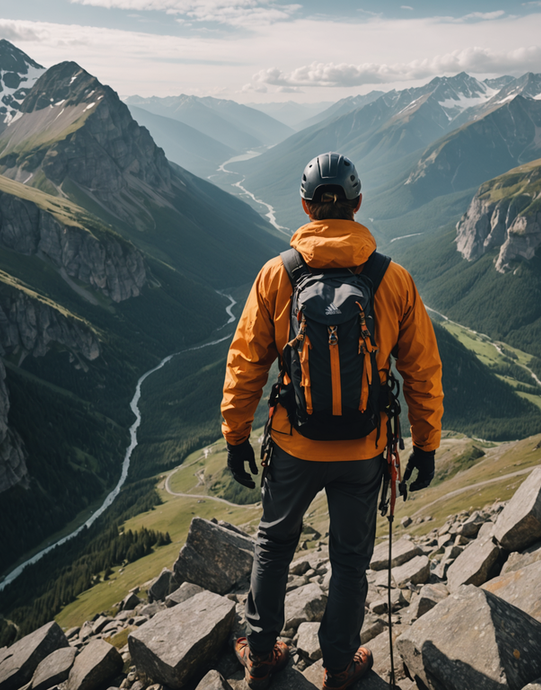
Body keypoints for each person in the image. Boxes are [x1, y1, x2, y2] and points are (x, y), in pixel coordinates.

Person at [221, 152, 443, 690]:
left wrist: (235, 435)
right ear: (358, 204)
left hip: (293, 443)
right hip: (365, 449)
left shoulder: (279, 274)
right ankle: (340, 666)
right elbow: (421, 370)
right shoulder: (393, 279)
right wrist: (426, 445)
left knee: (275, 545)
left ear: (305, 206)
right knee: (349, 560)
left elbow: (247, 361)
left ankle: (261, 654)